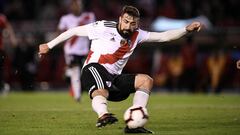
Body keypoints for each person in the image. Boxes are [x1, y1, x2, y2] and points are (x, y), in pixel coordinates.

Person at [39, 5, 201, 134]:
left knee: (146, 81)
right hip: (93, 69)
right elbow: (74, 31)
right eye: (126, 21)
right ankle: (103, 115)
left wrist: (186, 29)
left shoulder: (138, 34)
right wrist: (49, 45)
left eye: (133, 23)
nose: (129, 26)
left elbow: (163, 36)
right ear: (120, 19)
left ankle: (133, 126)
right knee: (101, 90)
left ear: (137, 24)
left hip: (114, 78)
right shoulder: (103, 27)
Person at [58, 0, 95, 102]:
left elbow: (94, 32)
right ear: (71, 7)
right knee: (76, 71)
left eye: (78, 5)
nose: (76, 7)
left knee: (84, 73)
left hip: (85, 50)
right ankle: (77, 96)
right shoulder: (65, 19)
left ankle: (67, 72)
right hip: (71, 50)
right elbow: (60, 32)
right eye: (74, 5)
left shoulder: (89, 16)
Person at [0, 13, 17, 95]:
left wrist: (12, 38)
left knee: (1, 69)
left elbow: (8, 27)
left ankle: (3, 86)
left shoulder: (1, 18)